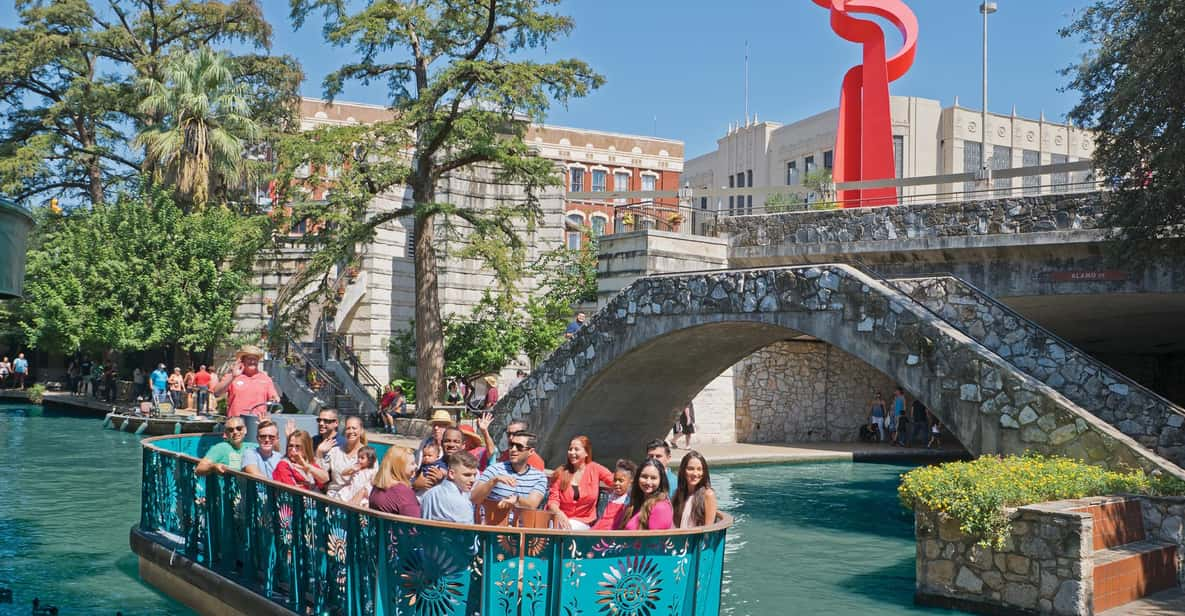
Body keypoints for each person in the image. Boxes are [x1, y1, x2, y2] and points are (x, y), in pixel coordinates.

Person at [471, 431, 548, 521]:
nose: (513, 449)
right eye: (511, 445)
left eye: (519, 447)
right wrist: (493, 481)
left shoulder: (539, 477)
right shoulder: (494, 470)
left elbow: (532, 504)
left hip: (520, 531)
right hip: (491, 528)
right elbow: (474, 498)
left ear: (531, 451)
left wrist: (516, 500)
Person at [548, 436, 614, 530]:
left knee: (568, 528)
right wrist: (559, 513)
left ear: (586, 453)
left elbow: (614, 481)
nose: (572, 453)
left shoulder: (595, 469)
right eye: (570, 449)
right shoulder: (561, 472)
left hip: (583, 521)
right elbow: (553, 500)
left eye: (576, 449)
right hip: (559, 518)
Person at [213, 345, 279, 419]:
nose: (252, 361)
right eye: (249, 359)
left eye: (255, 359)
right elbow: (217, 393)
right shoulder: (232, 376)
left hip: (258, 421)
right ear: (242, 360)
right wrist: (233, 376)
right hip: (236, 423)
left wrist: (275, 400)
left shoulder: (266, 379)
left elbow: (274, 399)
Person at [420, 450, 479, 523]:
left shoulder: (428, 494)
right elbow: (468, 532)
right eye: (467, 475)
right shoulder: (463, 503)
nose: (473, 480)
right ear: (451, 474)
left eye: (474, 475)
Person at [615, 458, 674, 531]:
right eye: (644, 477)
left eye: (653, 478)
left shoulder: (661, 507)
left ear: (661, 481)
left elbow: (655, 541)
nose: (648, 482)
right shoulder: (635, 503)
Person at [323, 416, 368, 498]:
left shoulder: (368, 454)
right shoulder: (334, 451)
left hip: (356, 500)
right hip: (334, 497)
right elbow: (322, 473)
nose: (351, 431)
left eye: (354, 428)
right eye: (348, 428)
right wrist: (319, 453)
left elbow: (370, 482)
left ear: (361, 431)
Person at [369, 446, 421, 516]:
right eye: (412, 463)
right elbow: (414, 522)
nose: (416, 466)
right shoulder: (403, 493)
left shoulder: (377, 487)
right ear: (400, 467)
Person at [672, 450, 718, 528]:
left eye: (699, 469)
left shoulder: (708, 495)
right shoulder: (678, 493)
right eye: (690, 469)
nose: (695, 473)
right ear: (683, 471)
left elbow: (709, 530)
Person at [413, 426, 468, 492]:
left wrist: (444, 480)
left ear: (463, 445)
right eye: (447, 441)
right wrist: (415, 485)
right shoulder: (432, 465)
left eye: (456, 442)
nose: (451, 445)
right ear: (441, 443)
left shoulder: (469, 469)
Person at [592, 460, 636, 531]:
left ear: (631, 481)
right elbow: (601, 518)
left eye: (621, 481)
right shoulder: (608, 496)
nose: (617, 483)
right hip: (598, 530)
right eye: (615, 480)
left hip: (613, 533)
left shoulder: (629, 500)